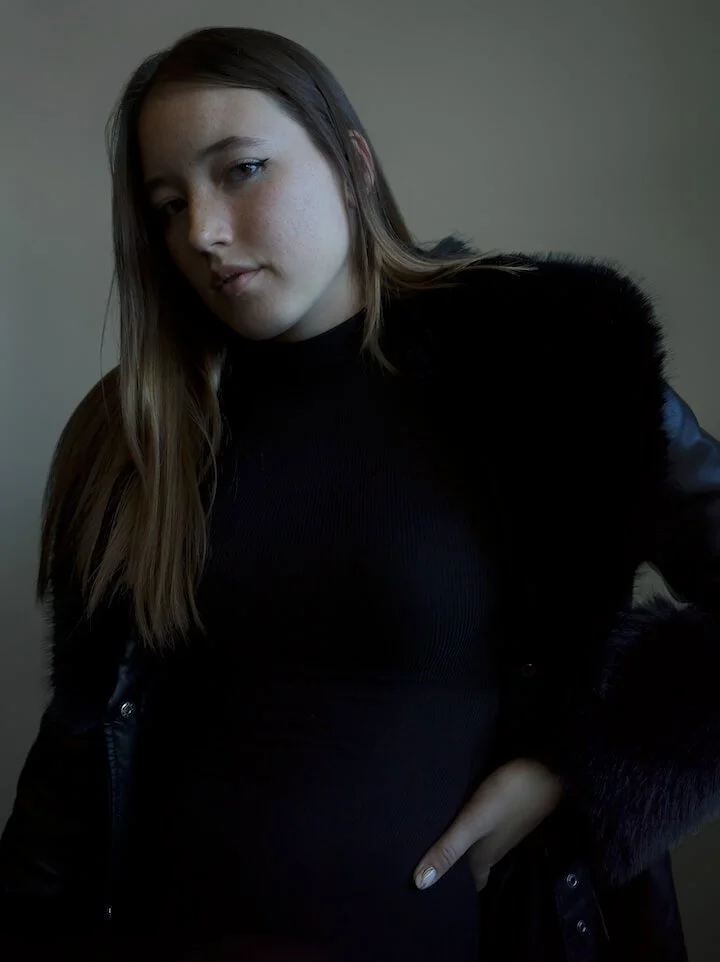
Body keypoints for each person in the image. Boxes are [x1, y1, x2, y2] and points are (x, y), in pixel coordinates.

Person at [0, 24, 719, 962]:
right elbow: (73, 765)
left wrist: (587, 769)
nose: (203, 233)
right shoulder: (137, 431)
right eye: (168, 205)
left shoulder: (554, 358)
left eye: (242, 170)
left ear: (351, 165)